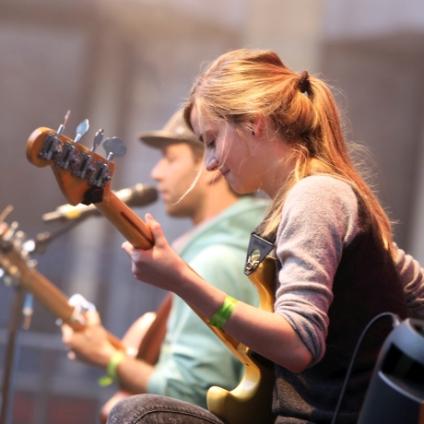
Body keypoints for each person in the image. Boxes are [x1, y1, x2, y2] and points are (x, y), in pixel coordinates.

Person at [109, 48, 424, 424]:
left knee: (139, 415)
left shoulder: (316, 196)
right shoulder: (316, 196)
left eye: (212, 139)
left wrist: (181, 280)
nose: (209, 162)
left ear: (254, 124)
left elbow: (298, 345)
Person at [62, 108, 267, 417]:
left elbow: (190, 395)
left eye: (170, 158)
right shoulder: (228, 251)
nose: (157, 172)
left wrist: (107, 357)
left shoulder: (214, 261)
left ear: (210, 166)